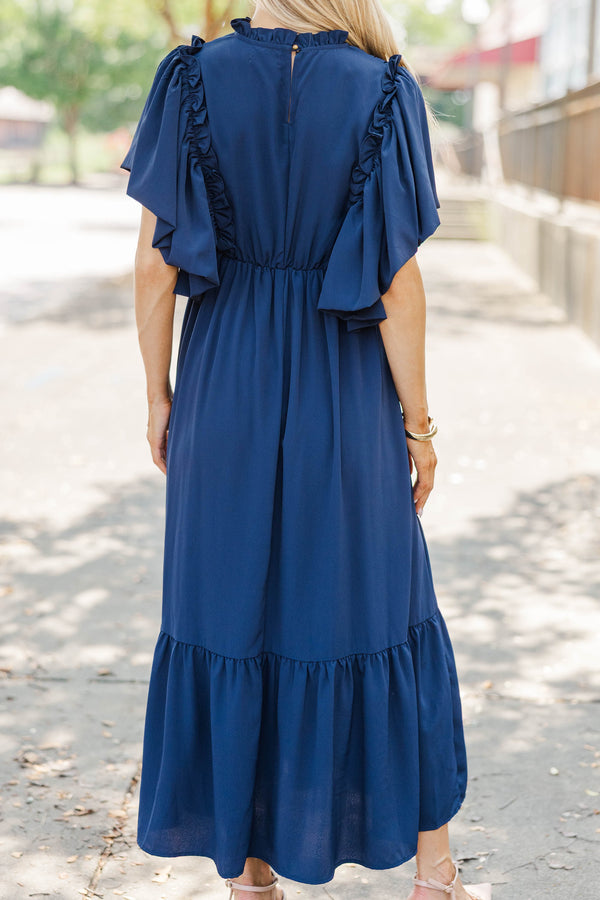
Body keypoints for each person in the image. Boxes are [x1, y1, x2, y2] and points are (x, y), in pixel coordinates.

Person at [120, 2, 493, 899]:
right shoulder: (385, 89)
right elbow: (398, 283)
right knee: (381, 607)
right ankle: (434, 867)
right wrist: (419, 425)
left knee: (232, 612)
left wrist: (159, 393)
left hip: (225, 383)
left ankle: (252, 881)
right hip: (346, 385)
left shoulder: (191, 78)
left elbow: (153, 265)